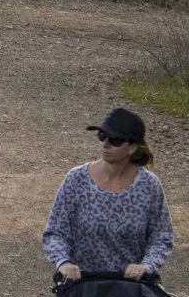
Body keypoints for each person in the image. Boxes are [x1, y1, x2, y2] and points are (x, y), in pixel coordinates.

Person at [43, 106, 173, 284]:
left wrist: (147, 266)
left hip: (132, 289)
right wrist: (63, 262)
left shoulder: (149, 186)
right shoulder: (76, 179)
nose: (106, 143)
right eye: (102, 136)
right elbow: (55, 232)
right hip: (82, 290)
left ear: (132, 147)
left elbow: (161, 236)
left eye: (115, 140)